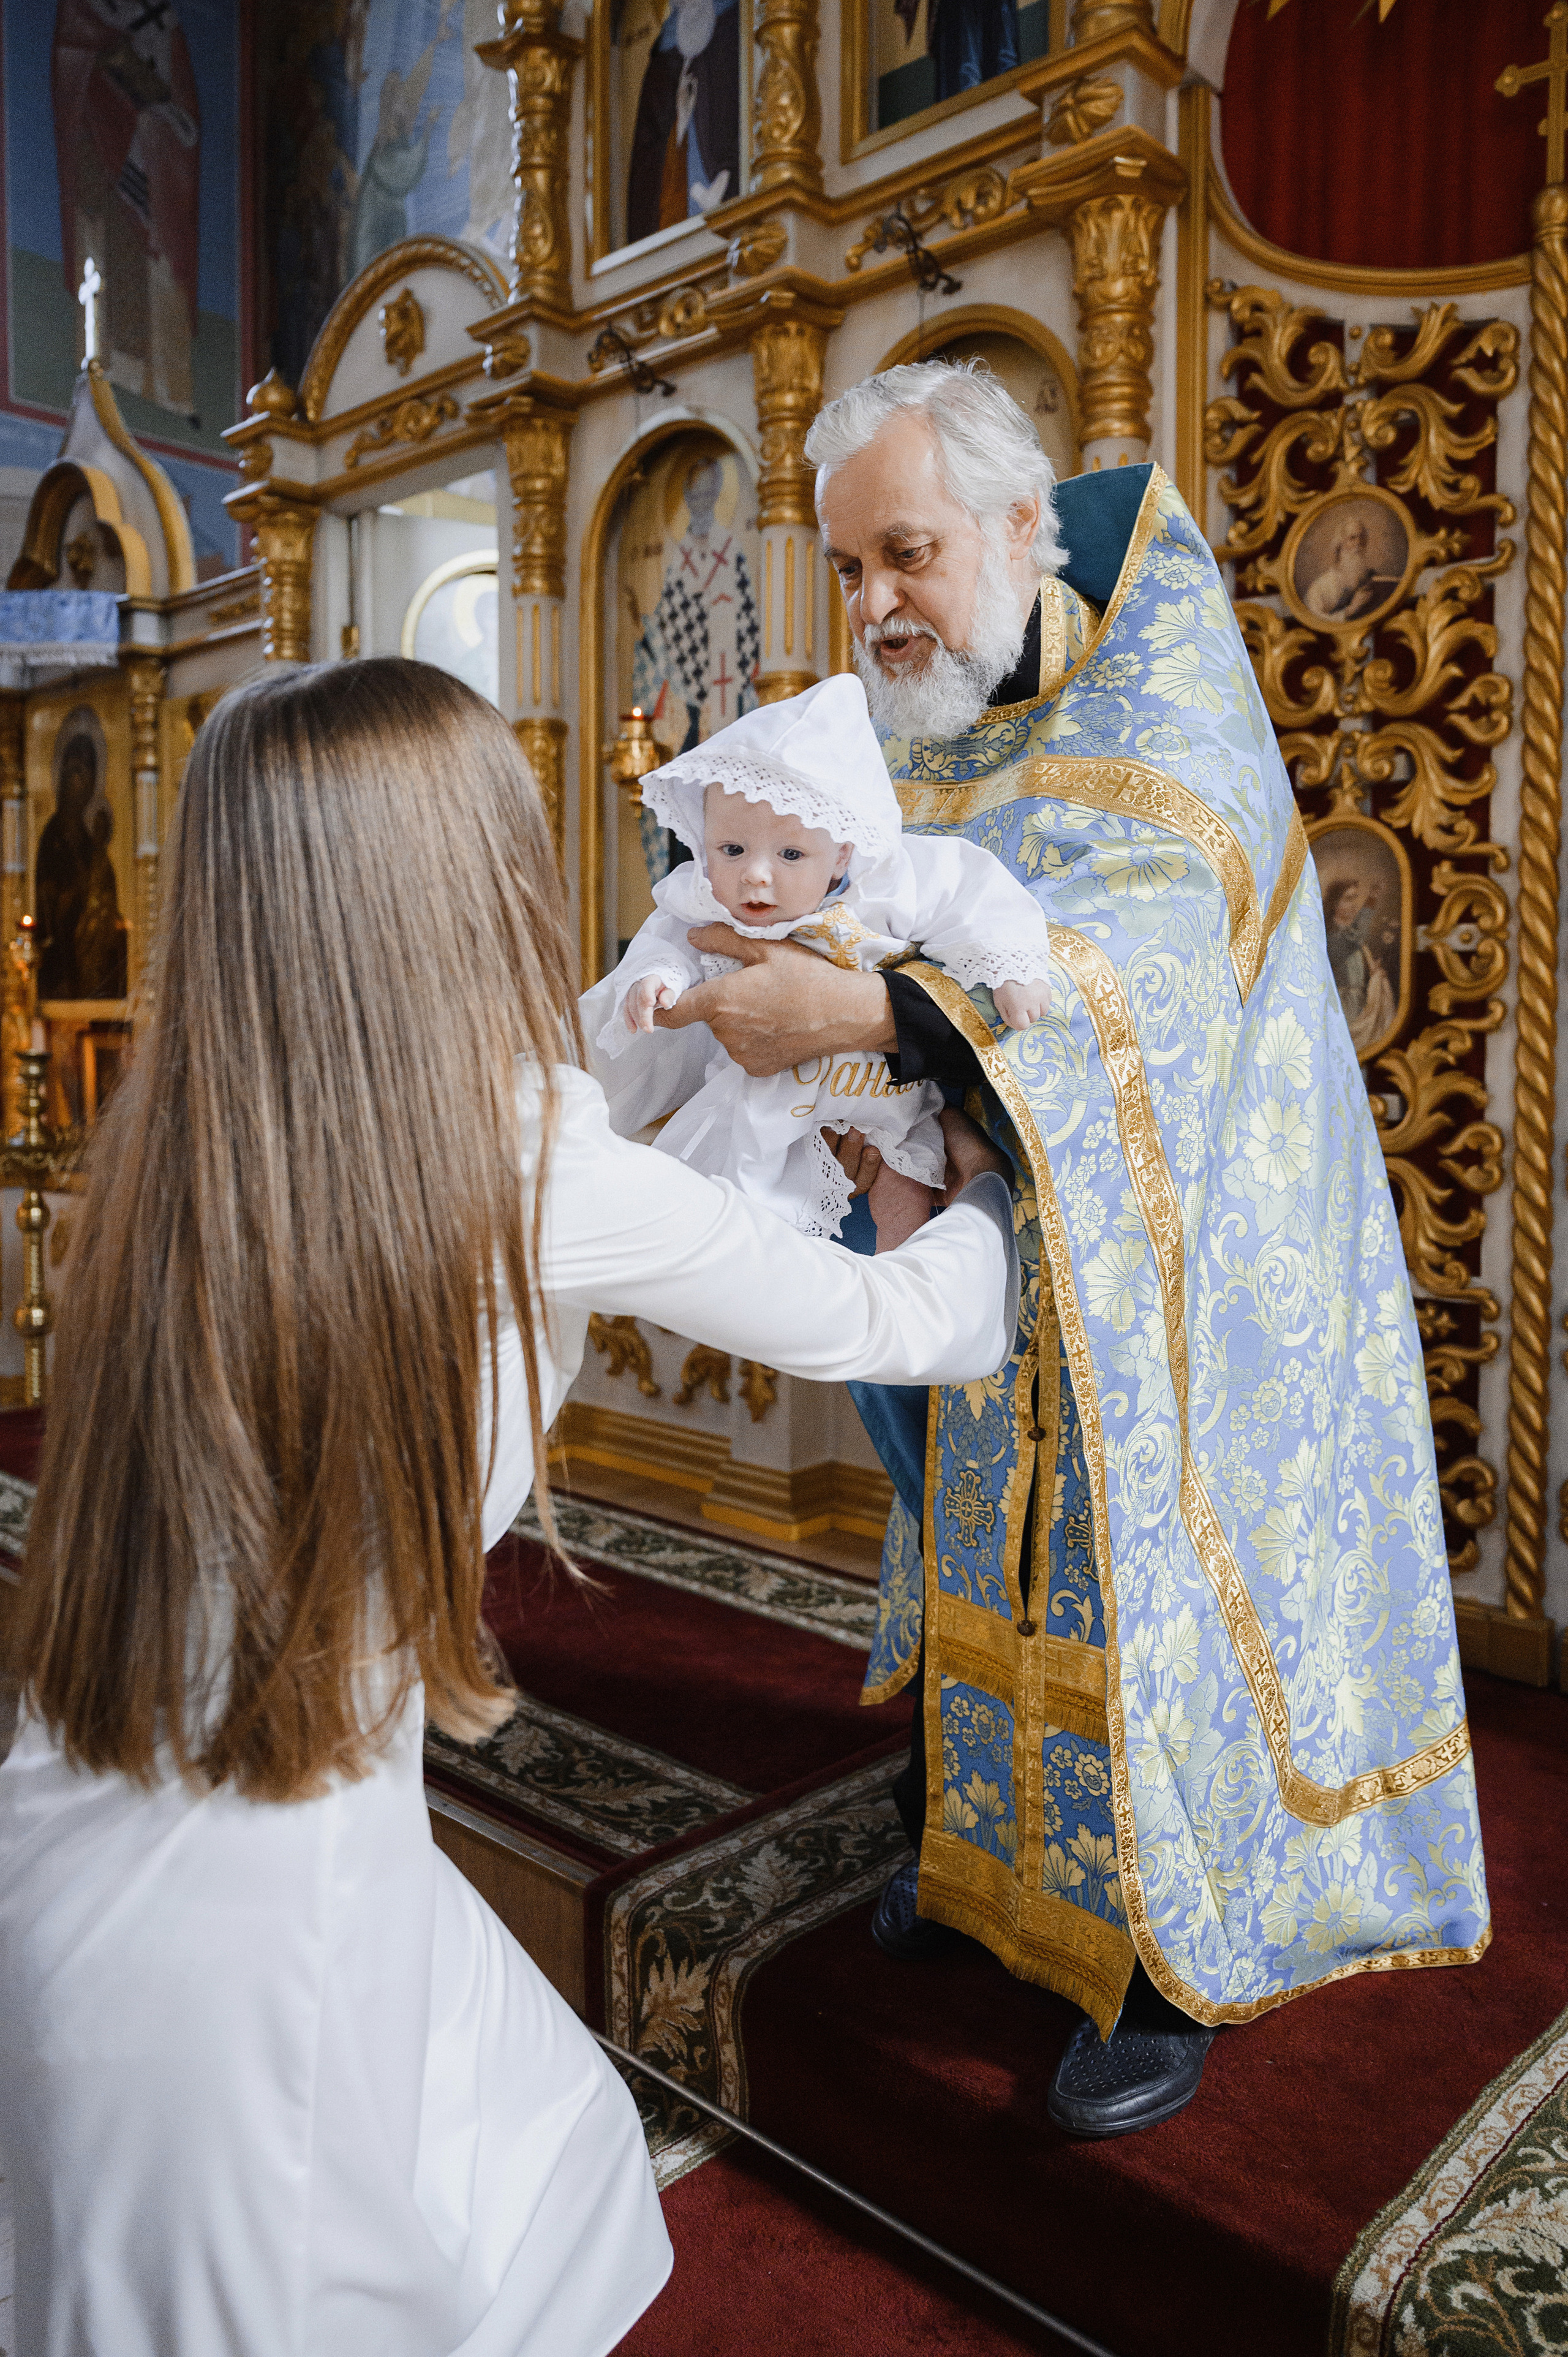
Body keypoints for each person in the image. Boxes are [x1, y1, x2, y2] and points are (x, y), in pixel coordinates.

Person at [0, 657, 1017, 2354]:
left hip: (89, 1801)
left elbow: (609, 1102)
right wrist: (976, 1170)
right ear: (471, 877)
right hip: (261, 1910)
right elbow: (914, 1318)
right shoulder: (525, 1158)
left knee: (535, 2163)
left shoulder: (191, 1134)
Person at [636, 359, 1488, 2141]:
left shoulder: (1162, 696)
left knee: (1143, 1565)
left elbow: (1151, 968)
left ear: (1024, 525)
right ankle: (984, 1858)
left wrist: (861, 1003)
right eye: (847, 567)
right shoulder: (919, 720)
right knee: (977, 1535)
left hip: (1186, 1265)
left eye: (908, 554)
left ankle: (1168, 1950)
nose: (873, 606)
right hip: (989, 1233)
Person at [592, 673, 1055, 1249]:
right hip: (770, 1107)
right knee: (744, 1206)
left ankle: (900, 1293)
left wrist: (1010, 965)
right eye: (732, 850)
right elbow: (672, 938)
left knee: (906, 1199)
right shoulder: (709, 903)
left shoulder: (881, 891)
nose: (756, 874)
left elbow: (969, 889)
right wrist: (655, 978)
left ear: (840, 854)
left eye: (790, 854)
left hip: (891, 1102)